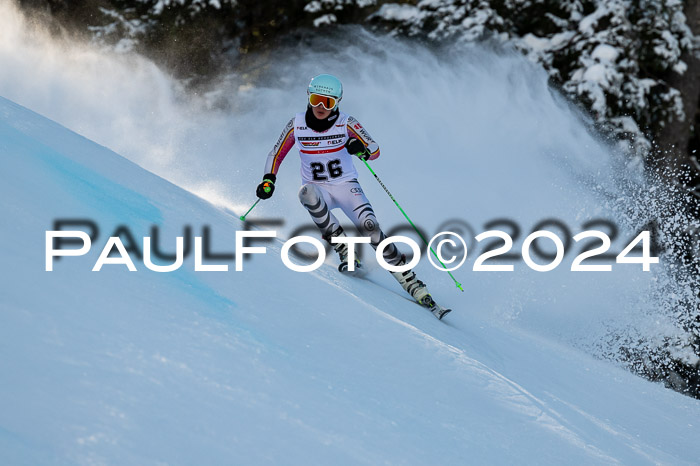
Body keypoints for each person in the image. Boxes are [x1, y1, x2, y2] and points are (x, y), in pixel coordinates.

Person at [255, 73, 436, 307]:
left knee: (370, 228)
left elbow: (374, 149)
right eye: (316, 100)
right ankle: (344, 248)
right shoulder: (296, 124)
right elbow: (276, 153)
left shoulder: (346, 123)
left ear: (337, 103)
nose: (321, 107)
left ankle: (409, 280)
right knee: (306, 193)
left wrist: (359, 147)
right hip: (318, 189)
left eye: (328, 102)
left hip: (346, 187)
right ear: (308, 97)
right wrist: (269, 179)